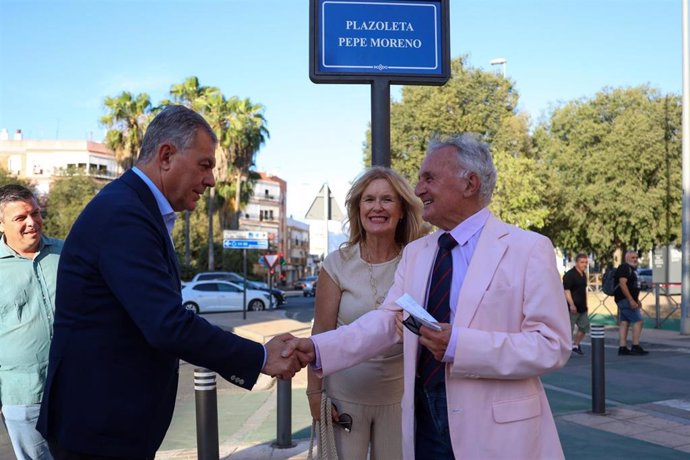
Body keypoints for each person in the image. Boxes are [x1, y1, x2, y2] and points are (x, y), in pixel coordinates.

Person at [36, 105, 303, 459]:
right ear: (166, 156)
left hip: (111, 426)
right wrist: (259, 356)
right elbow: (166, 324)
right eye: (205, 165)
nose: (210, 180)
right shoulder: (124, 213)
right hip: (99, 429)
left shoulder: (134, 208)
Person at [287, 134, 572, 459]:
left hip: (496, 433)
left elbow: (552, 345)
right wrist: (318, 348)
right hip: (422, 420)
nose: (419, 189)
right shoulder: (418, 253)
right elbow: (391, 322)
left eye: (429, 178)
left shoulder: (528, 249)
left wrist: (459, 346)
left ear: (470, 183)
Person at [306, 167, 423, 459]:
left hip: (400, 399)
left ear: (401, 210)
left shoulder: (418, 260)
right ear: (358, 209)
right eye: (369, 200)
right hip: (344, 399)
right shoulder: (337, 264)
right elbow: (321, 331)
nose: (377, 207)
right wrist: (314, 393)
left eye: (387, 199)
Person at [0, 185, 62, 460]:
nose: (31, 223)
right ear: (1, 222)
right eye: (20, 218)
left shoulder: (68, 254)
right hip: (23, 395)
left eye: (35, 213)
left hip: (76, 386)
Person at [615, 250, 649, 356]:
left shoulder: (632, 269)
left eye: (636, 257)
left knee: (624, 322)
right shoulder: (624, 268)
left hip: (627, 300)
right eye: (632, 257)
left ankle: (623, 347)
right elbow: (622, 284)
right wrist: (630, 300)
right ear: (627, 258)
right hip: (625, 300)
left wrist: (636, 300)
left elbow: (632, 286)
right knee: (638, 321)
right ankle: (635, 346)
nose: (635, 259)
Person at [563, 253, 590, 355]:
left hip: (582, 307)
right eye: (582, 262)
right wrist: (571, 304)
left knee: (584, 327)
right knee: (569, 329)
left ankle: (575, 345)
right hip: (572, 308)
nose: (584, 264)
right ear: (577, 262)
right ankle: (565, 350)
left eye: (586, 262)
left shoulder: (583, 275)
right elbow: (566, 291)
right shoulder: (570, 275)